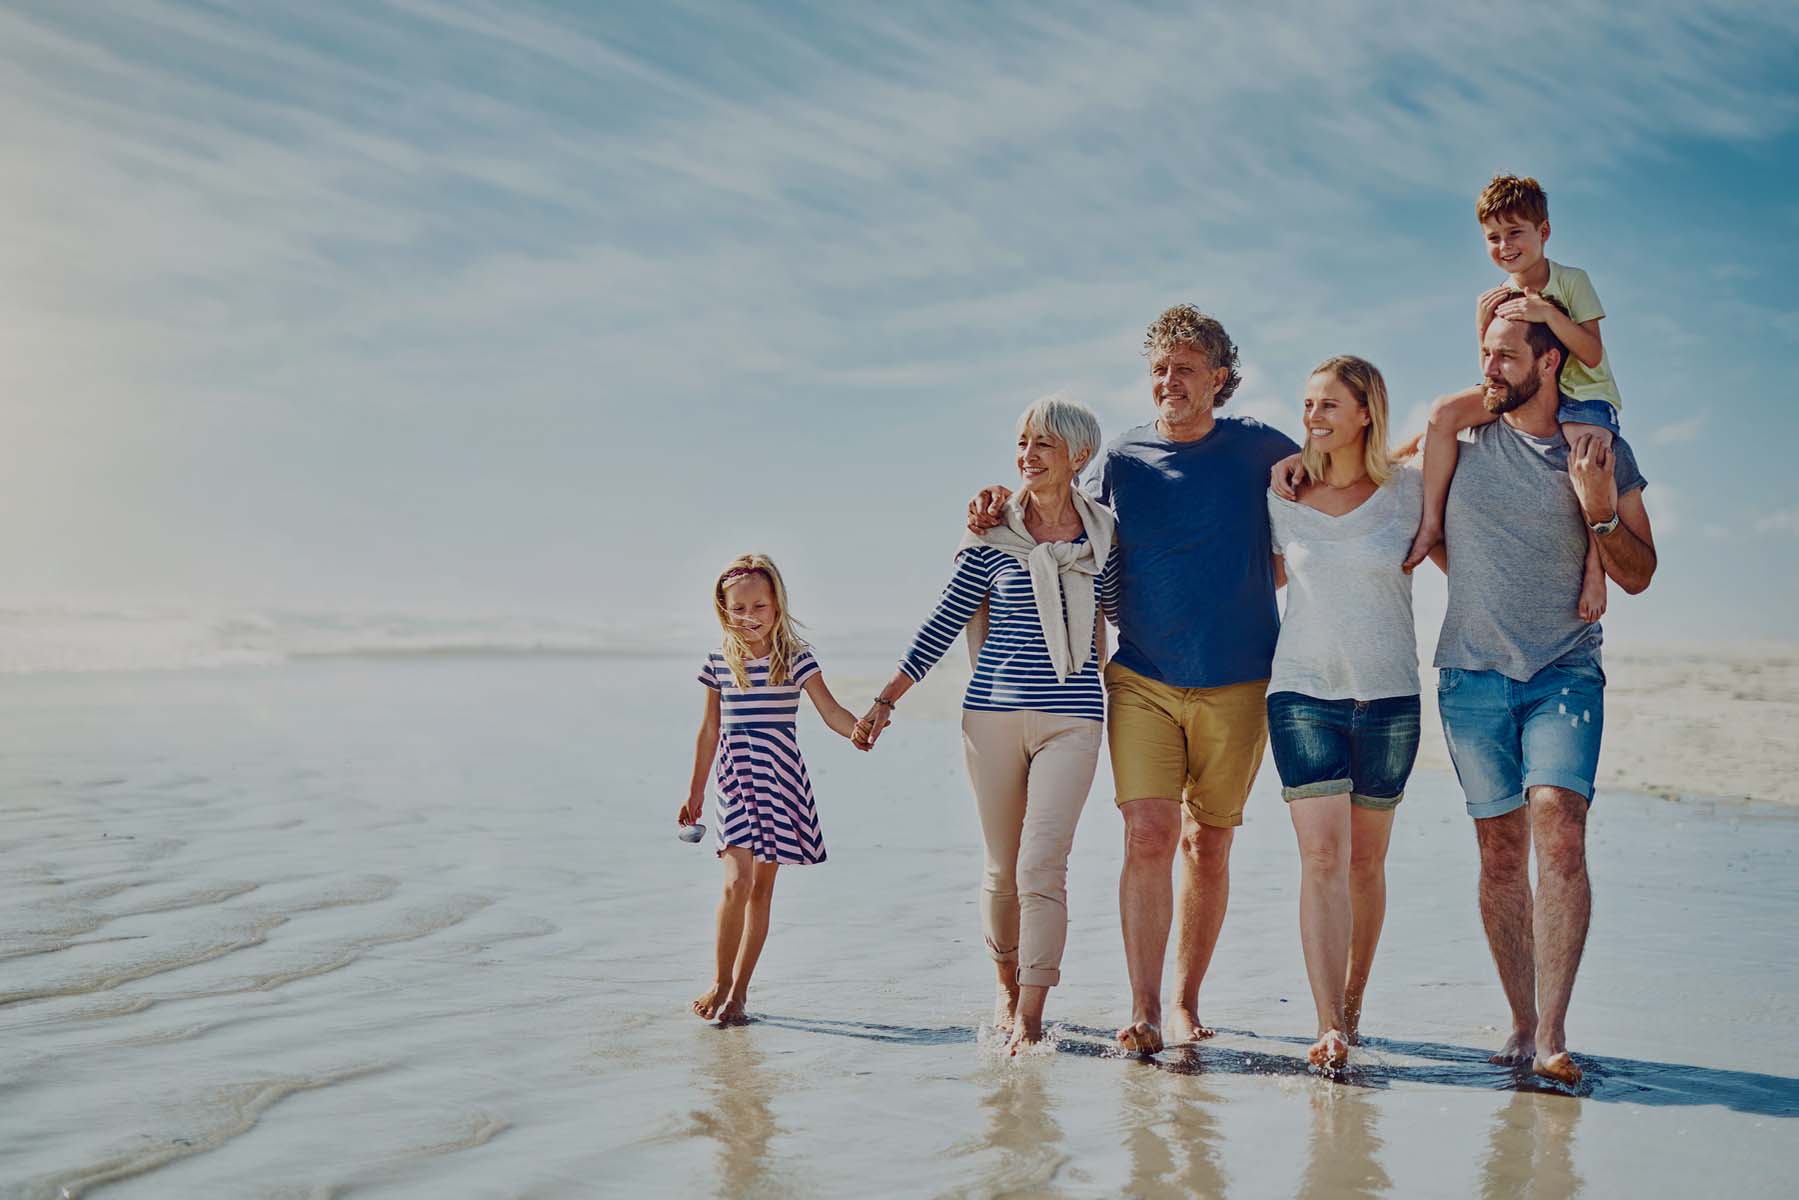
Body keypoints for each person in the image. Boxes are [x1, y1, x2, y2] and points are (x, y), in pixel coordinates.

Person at [970, 306, 1300, 1054]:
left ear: (1218, 378)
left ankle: (1185, 1003)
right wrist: (988, 506)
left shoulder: (1260, 447)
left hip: (1241, 677)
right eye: (1159, 369)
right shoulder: (1120, 457)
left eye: (1184, 368)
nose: (1168, 381)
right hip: (1141, 674)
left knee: (1207, 844)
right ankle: (1145, 1008)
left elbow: (1325, 493)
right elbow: (1050, 505)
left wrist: (1254, 578)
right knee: (1147, 834)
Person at [1435, 306, 1655, 1086]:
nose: (1487, 369)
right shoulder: (1459, 446)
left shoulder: (1600, 449)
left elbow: (1639, 570)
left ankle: (1552, 1032)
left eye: (1502, 358)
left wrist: (1596, 508)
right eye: (1483, 355)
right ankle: (1521, 1021)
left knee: (1559, 829)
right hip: (1467, 675)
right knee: (1498, 851)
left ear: (1549, 363)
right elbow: (1390, 498)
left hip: (1564, 671)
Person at [859, 397, 1117, 1055]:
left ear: (1077, 457)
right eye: (1022, 443)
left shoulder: (1104, 537)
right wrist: (886, 699)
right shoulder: (991, 534)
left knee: (1042, 865)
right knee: (1003, 869)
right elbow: (941, 623)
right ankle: (1003, 987)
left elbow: (1124, 616)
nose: (1027, 456)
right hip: (992, 718)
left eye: (1043, 445)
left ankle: (1030, 1018)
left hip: (1073, 719)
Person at [1265, 355, 1438, 1071]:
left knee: (1366, 863)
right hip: (1302, 693)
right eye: (1308, 404)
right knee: (1322, 858)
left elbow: (1453, 418)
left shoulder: (1409, 491)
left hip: (1389, 696)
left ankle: (1355, 1003)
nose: (1312, 416)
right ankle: (1327, 1023)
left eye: (1329, 405)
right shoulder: (1280, 495)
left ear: (1365, 411)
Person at [1408, 174, 1626, 624]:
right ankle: (1431, 523)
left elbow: (1591, 352)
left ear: (1543, 233)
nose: (1505, 245)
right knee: (1442, 413)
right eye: (1493, 237)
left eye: (1515, 233)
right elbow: (1493, 369)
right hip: (1528, 390)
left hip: (1582, 395)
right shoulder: (1497, 296)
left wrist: (1546, 312)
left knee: (1583, 463)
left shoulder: (1571, 281)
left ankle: (1593, 568)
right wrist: (1481, 322)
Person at [680, 554, 863, 1026]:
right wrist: (695, 792)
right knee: (736, 882)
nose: (749, 617)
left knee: (760, 891)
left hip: (780, 778)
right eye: (738, 609)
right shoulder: (719, 661)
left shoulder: (797, 658)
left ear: (777, 605)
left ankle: (739, 994)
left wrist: (859, 730)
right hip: (735, 778)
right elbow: (707, 730)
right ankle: (719, 980)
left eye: (759, 606)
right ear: (724, 610)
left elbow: (831, 711)